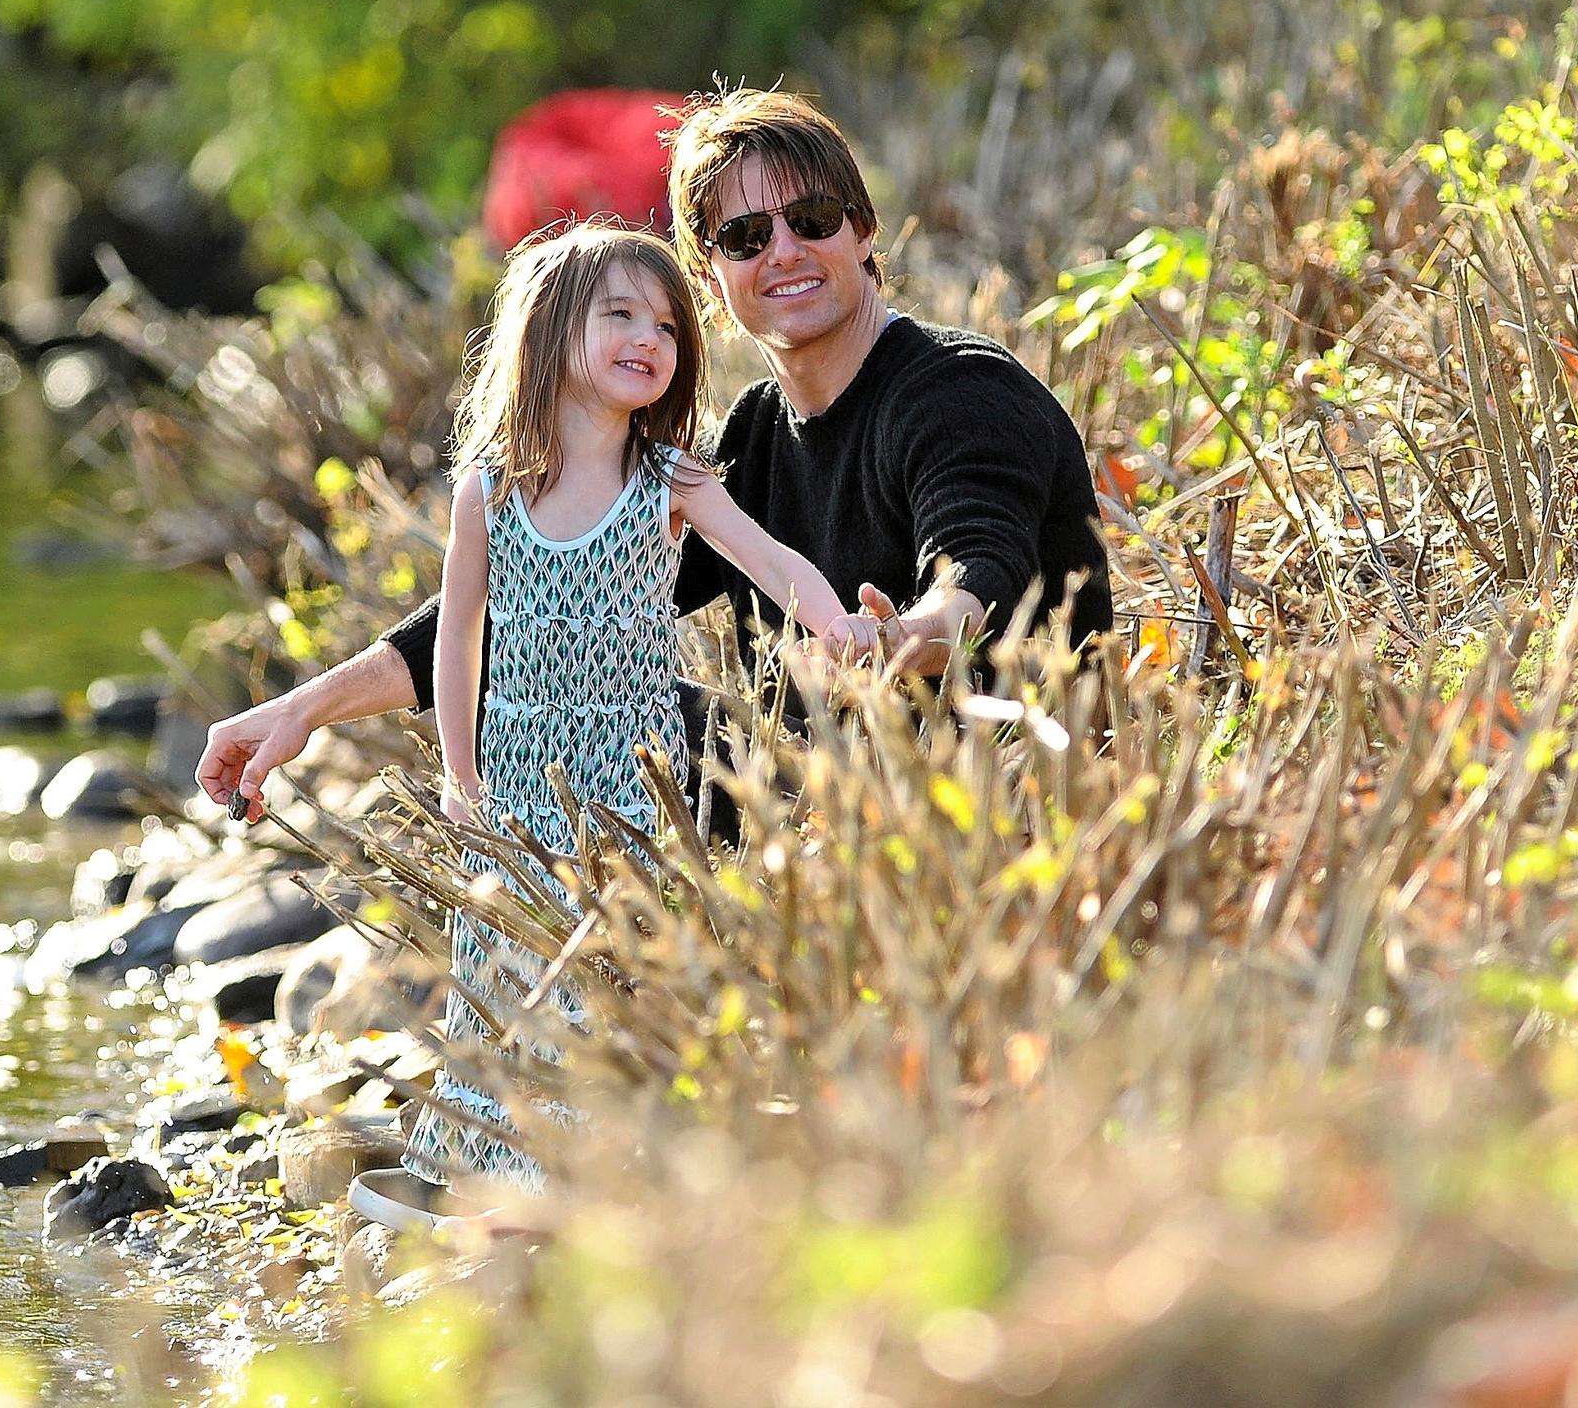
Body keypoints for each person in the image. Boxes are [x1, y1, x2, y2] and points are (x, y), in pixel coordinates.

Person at [195, 84, 1113, 828]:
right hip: (821, 792)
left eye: (813, 217)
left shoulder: (959, 392)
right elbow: (518, 603)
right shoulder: (754, 436)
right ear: (708, 278)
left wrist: (895, 640)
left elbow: (981, 571)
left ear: (864, 231)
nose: (784, 250)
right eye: (745, 237)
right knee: (564, 697)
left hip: (994, 797)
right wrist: (305, 707)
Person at [404, 222, 847, 1189]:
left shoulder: (668, 480)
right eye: (620, 316)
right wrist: (459, 776)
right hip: (518, 774)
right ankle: (492, 1177)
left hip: (630, 774)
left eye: (667, 327)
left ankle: (589, 1176)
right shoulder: (490, 489)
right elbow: (457, 635)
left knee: (606, 968)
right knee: (507, 975)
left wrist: (839, 624)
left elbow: (769, 560)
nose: (650, 338)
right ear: (552, 330)